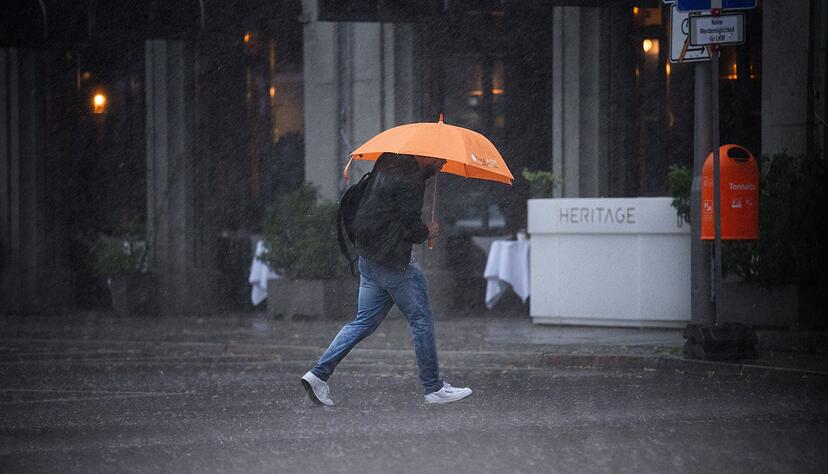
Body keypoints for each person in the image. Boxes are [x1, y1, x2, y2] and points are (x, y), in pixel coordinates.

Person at [300, 153, 473, 406]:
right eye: (440, 161)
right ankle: (434, 388)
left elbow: (382, 212)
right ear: (427, 157)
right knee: (421, 320)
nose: (442, 166)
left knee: (362, 323)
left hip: (369, 259)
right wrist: (428, 231)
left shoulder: (386, 164)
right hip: (394, 264)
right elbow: (410, 227)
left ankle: (317, 375)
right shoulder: (412, 180)